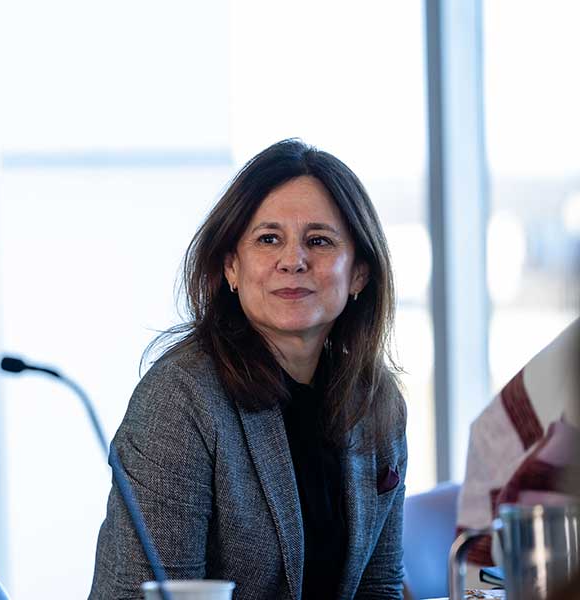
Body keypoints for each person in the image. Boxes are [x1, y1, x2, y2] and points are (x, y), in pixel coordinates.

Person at [89, 139, 407, 599]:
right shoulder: (180, 401)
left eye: (319, 241)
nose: (293, 261)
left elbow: (378, 587)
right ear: (232, 268)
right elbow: (142, 596)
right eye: (268, 239)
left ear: (358, 273)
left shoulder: (379, 402)